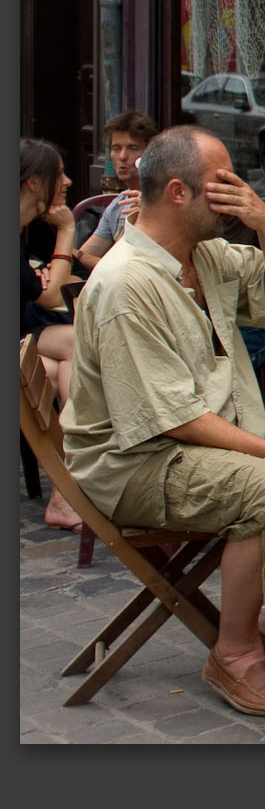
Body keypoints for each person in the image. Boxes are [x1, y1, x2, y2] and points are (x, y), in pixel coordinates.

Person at [62, 126, 265, 717]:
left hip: (219, 426)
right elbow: (175, 422)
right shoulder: (125, 283)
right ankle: (235, 653)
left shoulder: (204, 255)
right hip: (136, 459)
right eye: (223, 184)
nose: (236, 192)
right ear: (177, 193)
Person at [19, 138, 83, 530]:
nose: (69, 181)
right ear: (33, 182)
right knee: (70, 357)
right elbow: (51, 295)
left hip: (23, 334)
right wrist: (69, 228)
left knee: (67, 354)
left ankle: (66, 492)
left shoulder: (21, 229)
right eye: (59, 174)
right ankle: (70, 488)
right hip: (22, 336)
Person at [75, 109, 160, 271]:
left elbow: (116, 267)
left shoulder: (162, 202)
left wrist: (78, 256)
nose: (122, 156)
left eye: (132, 148)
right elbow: (86, 256)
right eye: (116, 148)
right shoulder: (117, 205)